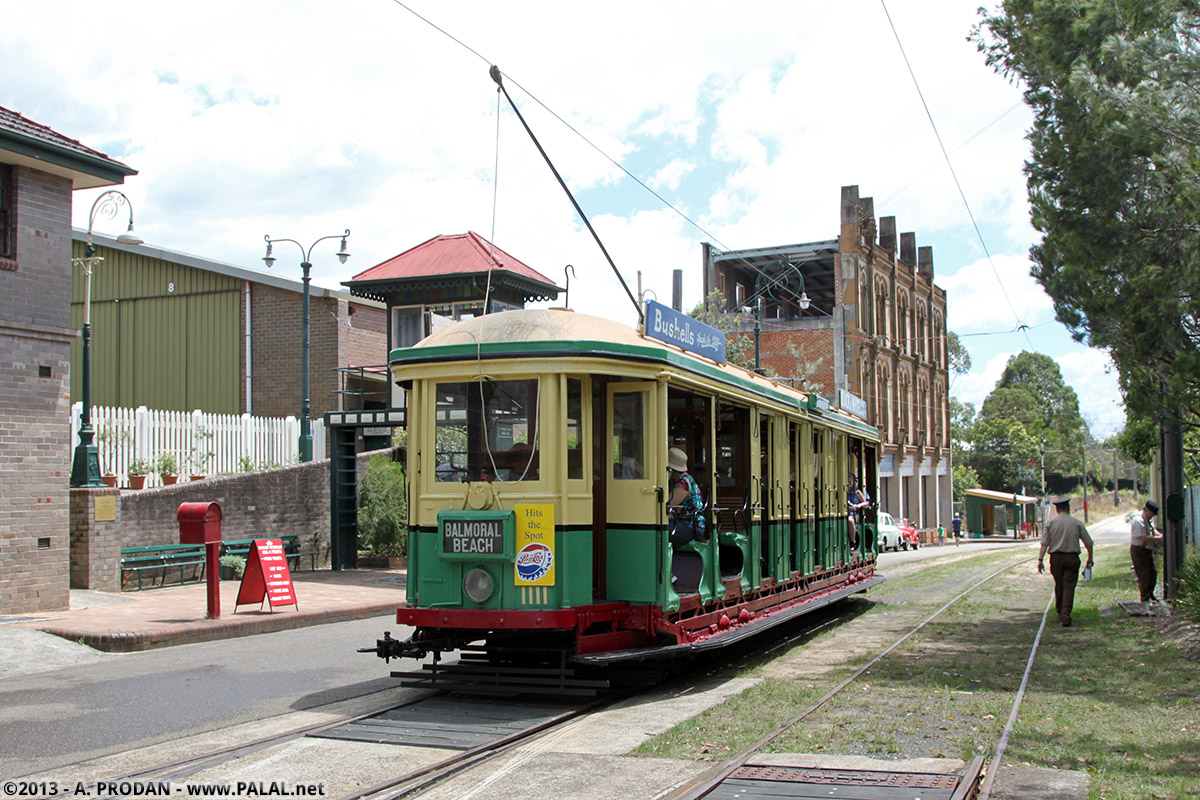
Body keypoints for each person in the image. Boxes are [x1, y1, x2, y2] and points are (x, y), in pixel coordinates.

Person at [1038, 496, 1095, 627]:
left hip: (1056, 559)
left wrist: (1040, 560)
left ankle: (1060, 611)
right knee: (1069, 586)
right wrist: (1090, 559)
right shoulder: (1077, 523)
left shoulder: (1051, 523)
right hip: (1071, 558)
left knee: (1059, 584)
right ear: (1068, 508)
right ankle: (1066, 614)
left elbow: (1044, 543)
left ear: (1057, 509)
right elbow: (1089, 543)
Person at [666, 447, 705, 546]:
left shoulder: (684, 482)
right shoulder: (686, 479)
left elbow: (668, 502)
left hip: (690, 526)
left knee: (661, 533)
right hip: (685, 523)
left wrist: (666, 478)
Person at [1130, 500, 1163, 604]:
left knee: (1152, 574)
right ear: (1147, 511)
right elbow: (1144, 538)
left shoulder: (1148, 520)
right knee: (1144, 575)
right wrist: (1159, 539)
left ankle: (1150, 594)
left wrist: (1158, 534)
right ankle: (1144, 598)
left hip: (1147, 550)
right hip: (1139, 550)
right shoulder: (1138, 521)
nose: (1152, 516)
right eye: (1152, 513)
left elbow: (1153, 530)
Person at [847, 475, 869, 552]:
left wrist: (857, 506)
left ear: (853, 482)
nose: (848, 484)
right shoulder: (844, 492)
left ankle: (853, 542)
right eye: (847, 482)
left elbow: (865, 503)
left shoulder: (857, 492)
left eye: (850, 482)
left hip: (854, 514)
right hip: (845, 512)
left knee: (850, 520)